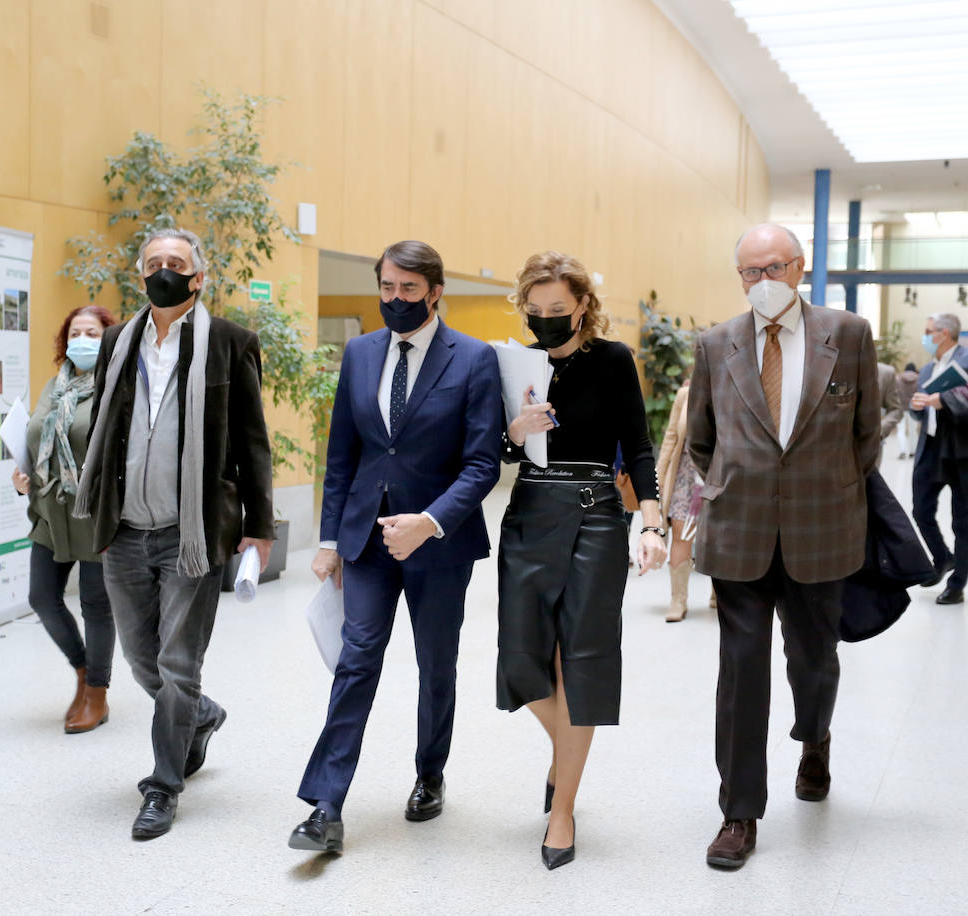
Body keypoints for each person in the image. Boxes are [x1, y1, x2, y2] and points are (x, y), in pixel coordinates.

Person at [289, 240, 503, 855]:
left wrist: (429, 522)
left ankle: (429, 774)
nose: (396, 300)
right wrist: (329, 539)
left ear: (436, 292)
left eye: (409, 290)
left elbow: (482, 463)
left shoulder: (474, 359)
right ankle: (324, 804)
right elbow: (343, 456)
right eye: (387, 288)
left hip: (438, 543)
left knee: (436, 666)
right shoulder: (359, 353)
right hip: (365, 539)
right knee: (357, 659)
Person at [687, 223, 880, 870]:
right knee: (741, 674)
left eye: (773, 267)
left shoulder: (846, 334)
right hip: (739, 531)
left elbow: (866, 434)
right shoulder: (716, 344)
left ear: (799, 267)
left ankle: (815, 736)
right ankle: (739, 811)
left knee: (813, 660)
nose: (762, 282)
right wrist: (734, 488)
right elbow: (702, 441)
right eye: (749, 272)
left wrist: (825, 487)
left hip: (822, 528)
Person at [73, 227, 275, 841]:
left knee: (177, 663)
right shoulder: (116, 342)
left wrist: (258, 530)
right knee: (141, 659)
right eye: (154, 262)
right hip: (126, 529)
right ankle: (202, 717)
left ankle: (163, 786)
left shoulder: (230, 345)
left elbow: (252, 443)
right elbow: (105, 431)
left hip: (192, 534)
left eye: (176, 263)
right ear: (141, 276)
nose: (164, 270)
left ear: (198, 278)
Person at [497, 251, 667, 870]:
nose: (544, 321)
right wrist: (515, 430)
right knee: (520, 657)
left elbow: (640, 447)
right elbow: (499, 452)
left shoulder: (613, 360)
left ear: (583, 308)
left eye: (557, 311)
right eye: (534, 311)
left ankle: (562, 809)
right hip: (530, 511)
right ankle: (564, 751)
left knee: (582, 660)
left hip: (596, 511)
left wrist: (651, 522)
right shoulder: (515, 364)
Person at [13, 305, 118, 733]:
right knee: (42, 597)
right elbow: (35, 438)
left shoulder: (117, 387)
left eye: (92, 333)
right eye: (75, 332)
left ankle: (97, 693)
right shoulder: (52, 387)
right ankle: (81, 670)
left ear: (108, 340)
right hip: (50, 510)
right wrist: (22, 478)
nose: (82, 340)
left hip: (93, 514)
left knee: (96, 605)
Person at [909, 312, 968, 605]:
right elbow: (922, 412)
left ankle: (957, 585)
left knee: (962, 520)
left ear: (943, 333)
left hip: (960, 451)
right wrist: (917, 406)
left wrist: (943, 399)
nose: (925, 336)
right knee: (921, 511)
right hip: (931, 448)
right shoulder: (925, 371)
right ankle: (942, 557)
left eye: (928, 331)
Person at [655, 378, 701, 622]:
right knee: (682, 534)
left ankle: (720, 594)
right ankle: (678, 599)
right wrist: (659, 476)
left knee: (721, 537)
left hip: (720, 473)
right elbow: (671, 436)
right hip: (686, 474)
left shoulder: (734, 386)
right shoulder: (685, 394)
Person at [877, 362, 903, 465]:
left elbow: (895, 409)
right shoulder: (832, 367)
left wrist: (880, 430)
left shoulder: (885, 373)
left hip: (871, 448)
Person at [895, 361, 919, 458]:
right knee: (913, 430)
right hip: (914, 407)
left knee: (901, 430)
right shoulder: (919, 378)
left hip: (900, 407)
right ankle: (913, 451)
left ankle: (903, 451)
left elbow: (895, 393)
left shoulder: (898, 378)